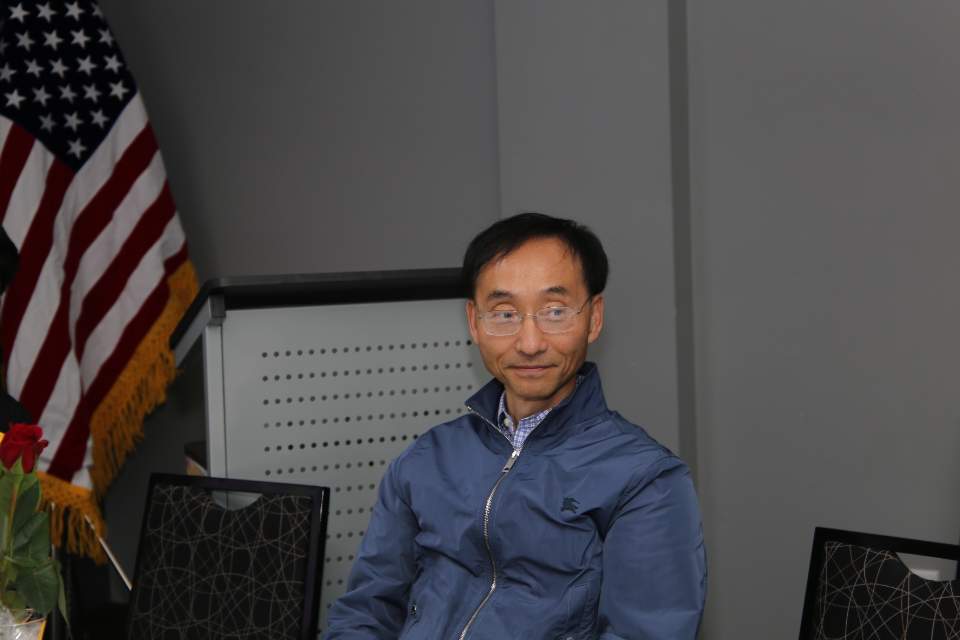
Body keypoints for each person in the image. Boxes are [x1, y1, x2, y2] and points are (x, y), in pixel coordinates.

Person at [324, 213, 706, 639]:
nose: (530, 343)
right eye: (504, 314)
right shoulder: (427, 459)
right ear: (474, 322)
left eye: (555, 311)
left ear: (594, 318)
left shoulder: (645, 480)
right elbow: (364, 614)